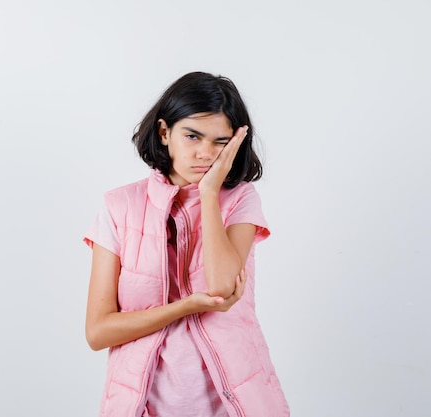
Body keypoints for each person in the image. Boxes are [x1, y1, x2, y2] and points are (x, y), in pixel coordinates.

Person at [83, 72, 289, 417]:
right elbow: (98, 332)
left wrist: (209, 193)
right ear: (165, 133)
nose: (205, 153)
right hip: (142, 405)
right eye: (192, 136)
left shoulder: (240, 200)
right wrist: (184, 307)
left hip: (234, 404)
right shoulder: (119, 206)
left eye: (220, 142)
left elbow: (222, 287)